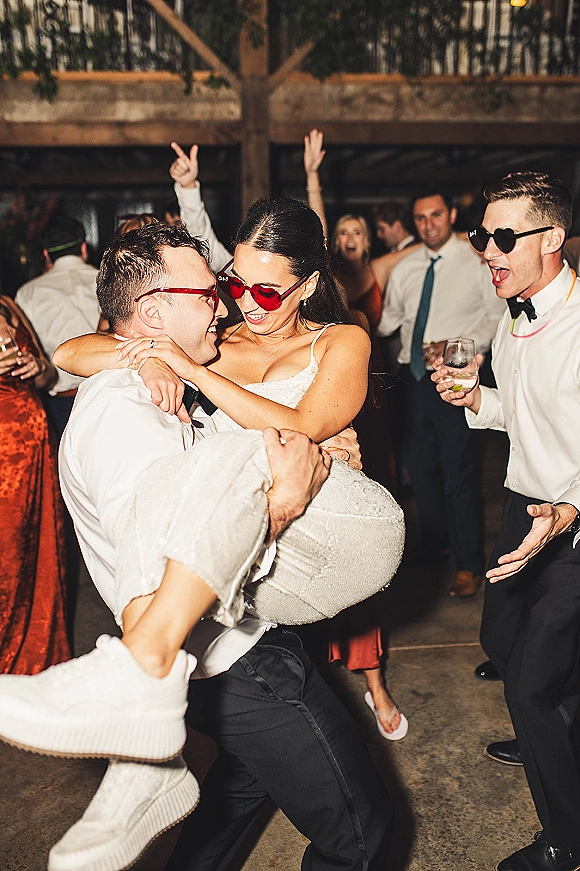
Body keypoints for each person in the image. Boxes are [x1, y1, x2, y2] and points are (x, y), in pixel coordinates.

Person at [0, 218, 400, 871]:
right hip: (239, 650)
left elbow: (299, 424)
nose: (233, 301)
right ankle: (141, 681)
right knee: (363, 831)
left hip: (258, 610)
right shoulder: (136, 401)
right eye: (223, 285)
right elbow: (150, 545)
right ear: (155, 312)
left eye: (255, 289)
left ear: (307, 287)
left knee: (242, 786)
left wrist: (175, 360)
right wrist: (280, 494)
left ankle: (142, 710)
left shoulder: (288, 348)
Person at [432, 171, 580, 871]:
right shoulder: (513, 311)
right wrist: (475, 399)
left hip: (573, 522)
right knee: (501, 636)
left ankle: (566, 839)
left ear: (552, 238)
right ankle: (550, 729)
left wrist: (566, 511)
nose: (486, 250)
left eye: (502, 237)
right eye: (481, 236)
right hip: (526, 504)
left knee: (531, 678)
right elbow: (519, 417)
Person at [377, 186, 505, 597]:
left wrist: (456, 344)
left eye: (435, 215)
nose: (428, 224)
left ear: (451, 214)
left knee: (458, 473)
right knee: (421, 471)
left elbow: (497, 317)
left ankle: (469, 565)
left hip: (455, 378)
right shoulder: (408, 266)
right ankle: (436, 547)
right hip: (411, 381)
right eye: (420, 218)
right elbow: (389, 322)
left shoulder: (476, 261)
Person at [0, 295, 70, 674]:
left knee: (36, 556)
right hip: (3, 465)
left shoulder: (7, 304)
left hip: (34, 454)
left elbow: (47, 377)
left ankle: (32, 663)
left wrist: (38, 366)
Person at [14, 215, 101, 440]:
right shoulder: (106, 279)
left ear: (46, 255)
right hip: (107, 392)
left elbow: (27, 350)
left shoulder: (28, 292)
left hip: (60, 404)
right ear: (83, 248)